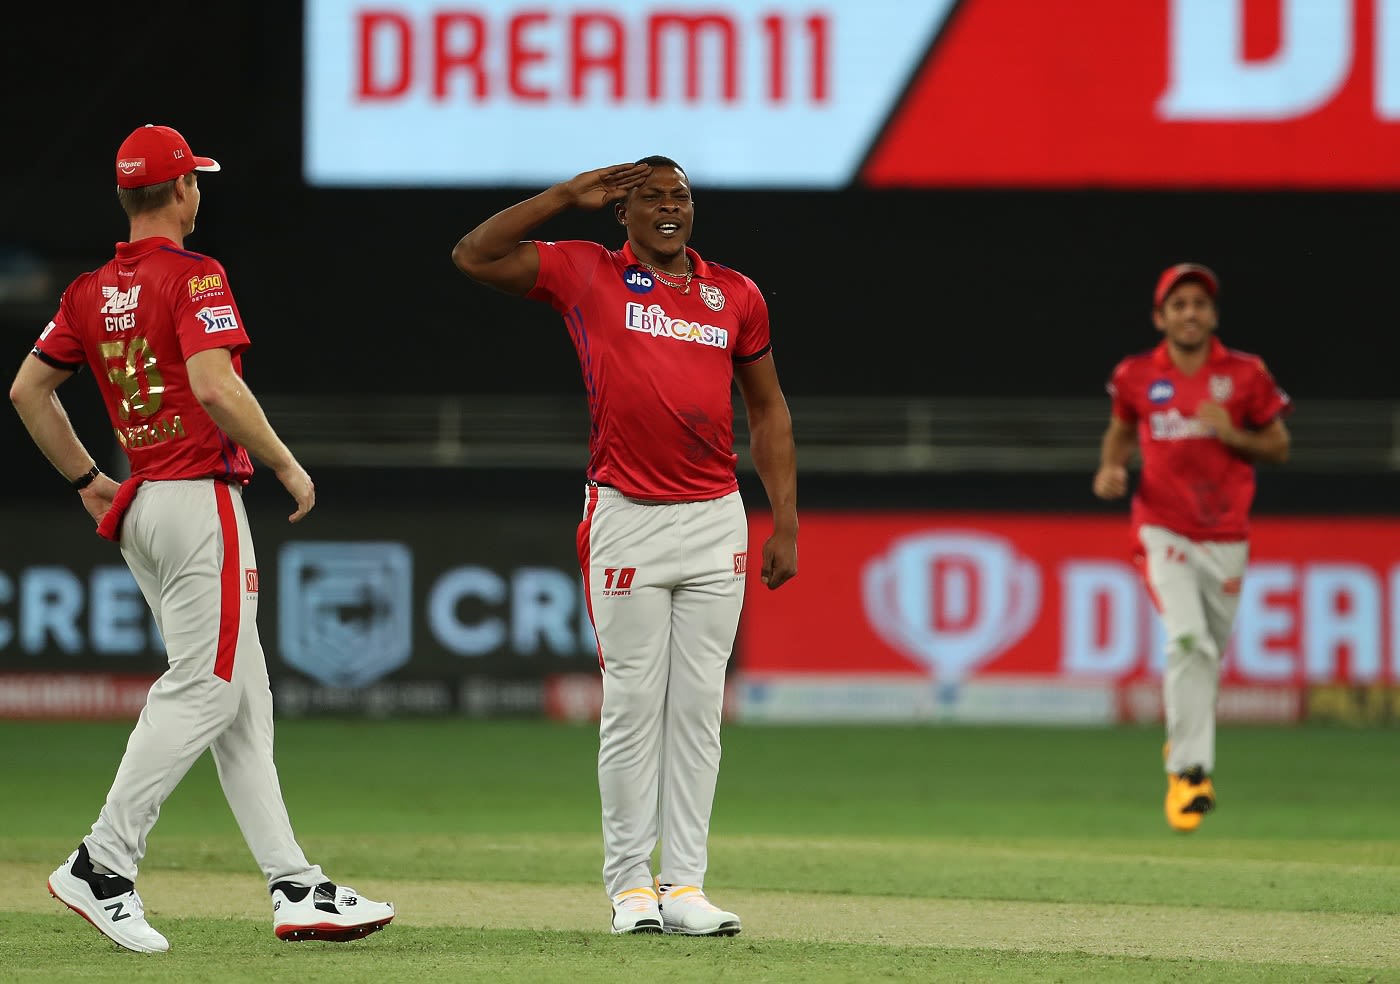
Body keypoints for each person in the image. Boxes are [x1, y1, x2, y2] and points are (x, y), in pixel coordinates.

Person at [9, 124, 395, 952]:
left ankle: (294, 886)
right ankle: (102, 863)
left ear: (126, 196)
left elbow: (27, 390)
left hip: (144, 502)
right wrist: (288, 465)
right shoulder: (195, 275)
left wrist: (86, 481)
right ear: (183, 190)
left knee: (242, 706)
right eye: (196, 182)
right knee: (208, 687)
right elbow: (215, 384)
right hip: (196, 502)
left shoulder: (88, 289)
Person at [451, 157, 798, 935]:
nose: (671, 208)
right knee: (636, 706)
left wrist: (786, 519)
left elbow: (768, 410)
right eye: (652, 197)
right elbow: (473, 254)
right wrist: (564, 197)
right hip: (627, 515)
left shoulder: (733, 294)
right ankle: (629, 886)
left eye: (681, 196)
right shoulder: (587, 273)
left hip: (716, 517)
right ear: (622, 213)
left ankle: (687, 886)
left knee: (699, 711)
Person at [1092, 262, 1291, 833]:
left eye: (1199, 304)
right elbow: (1122, 426)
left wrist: (1231, 433)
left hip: (1226, 535)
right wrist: (1110, 467)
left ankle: (1182, 738)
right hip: (1162, 527)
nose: (1189, 313)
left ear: (1214, 316)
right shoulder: (1135, 375)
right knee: (1188, 641)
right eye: (1178, 304)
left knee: (1207, 655)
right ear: (1160, 317)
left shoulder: (1246, 375)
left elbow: (1279, 446)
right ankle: (1189, 775)